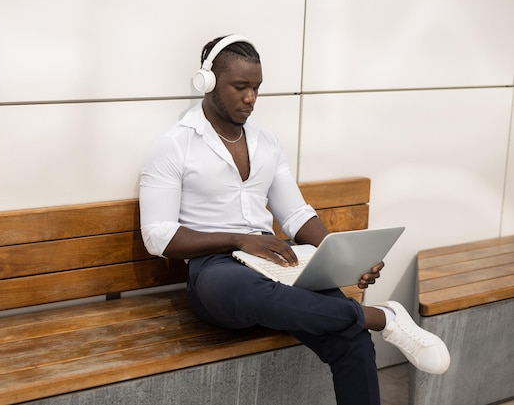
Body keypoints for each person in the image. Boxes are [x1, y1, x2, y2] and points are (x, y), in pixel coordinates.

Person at [139, 34, 450, 405]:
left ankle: (367, 320)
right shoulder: (174, 146)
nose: (250, 98)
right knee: (239, 290)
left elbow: (296, 214)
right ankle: (381, 317)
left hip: (274, 257)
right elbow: (158, 237)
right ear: (207, 83)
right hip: (216, 268)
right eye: (240, 87)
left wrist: (346, 257)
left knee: (349, 339)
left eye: (256, 88)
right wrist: (238, 240)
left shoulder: (267, 142)